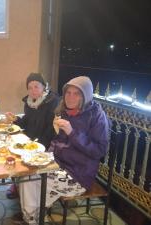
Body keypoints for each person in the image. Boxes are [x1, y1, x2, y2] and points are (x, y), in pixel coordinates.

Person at [17, 76, 110, 224]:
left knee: (31, 179)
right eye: (68, 92)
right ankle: (35, 216)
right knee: (27, 172)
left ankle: (33, 218)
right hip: (59, 164)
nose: (70, 97)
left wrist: (72, 133)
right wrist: (45, 154)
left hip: (78, 174)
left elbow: (99, 151)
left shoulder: (97, 116)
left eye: (76, 93)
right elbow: (58, 142)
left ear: (85, 96)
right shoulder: (64, 111)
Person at [5, 73, 59, 199]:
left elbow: (52, 128)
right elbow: (27, 121)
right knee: (12, 151)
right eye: (30, 87)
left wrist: (38, 145)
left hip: (46, 143)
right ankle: (17, 185)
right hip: (30, 141)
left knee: (22, 159)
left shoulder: (53, 101)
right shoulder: (29, 102)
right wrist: (16, 119)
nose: (33, 90)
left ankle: (25, 188)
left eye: (36, 86)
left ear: (44, 87)